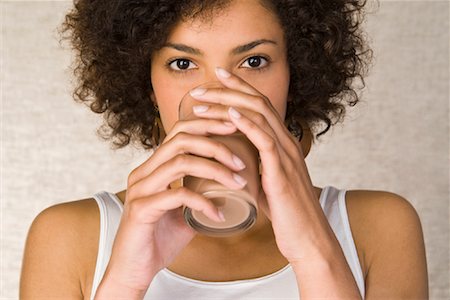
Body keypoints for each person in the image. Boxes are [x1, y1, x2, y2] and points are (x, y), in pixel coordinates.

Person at [19, 0, 428, 299]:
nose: (219, 95)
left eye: (253, 61)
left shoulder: (379, 226)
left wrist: (313, 251)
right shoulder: (68, 236)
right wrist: (126, 281)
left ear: (295, 75)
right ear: (148, 86)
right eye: (182, 64)